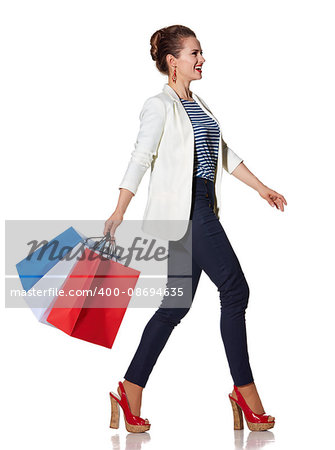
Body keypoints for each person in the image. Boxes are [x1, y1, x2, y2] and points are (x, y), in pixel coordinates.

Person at [105, 25, 287, 433]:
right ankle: (245, 392)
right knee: (235, 289)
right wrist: (119, 209)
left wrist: (263, 189)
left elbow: (224, 153)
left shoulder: (199, 105)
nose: (201, 59)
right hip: (186, 210)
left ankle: (129, 388)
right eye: (194, 53)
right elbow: (140, 157)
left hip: (204, 204)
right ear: (173, 61)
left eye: (200, 53)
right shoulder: (159, 105)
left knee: (175, 306)